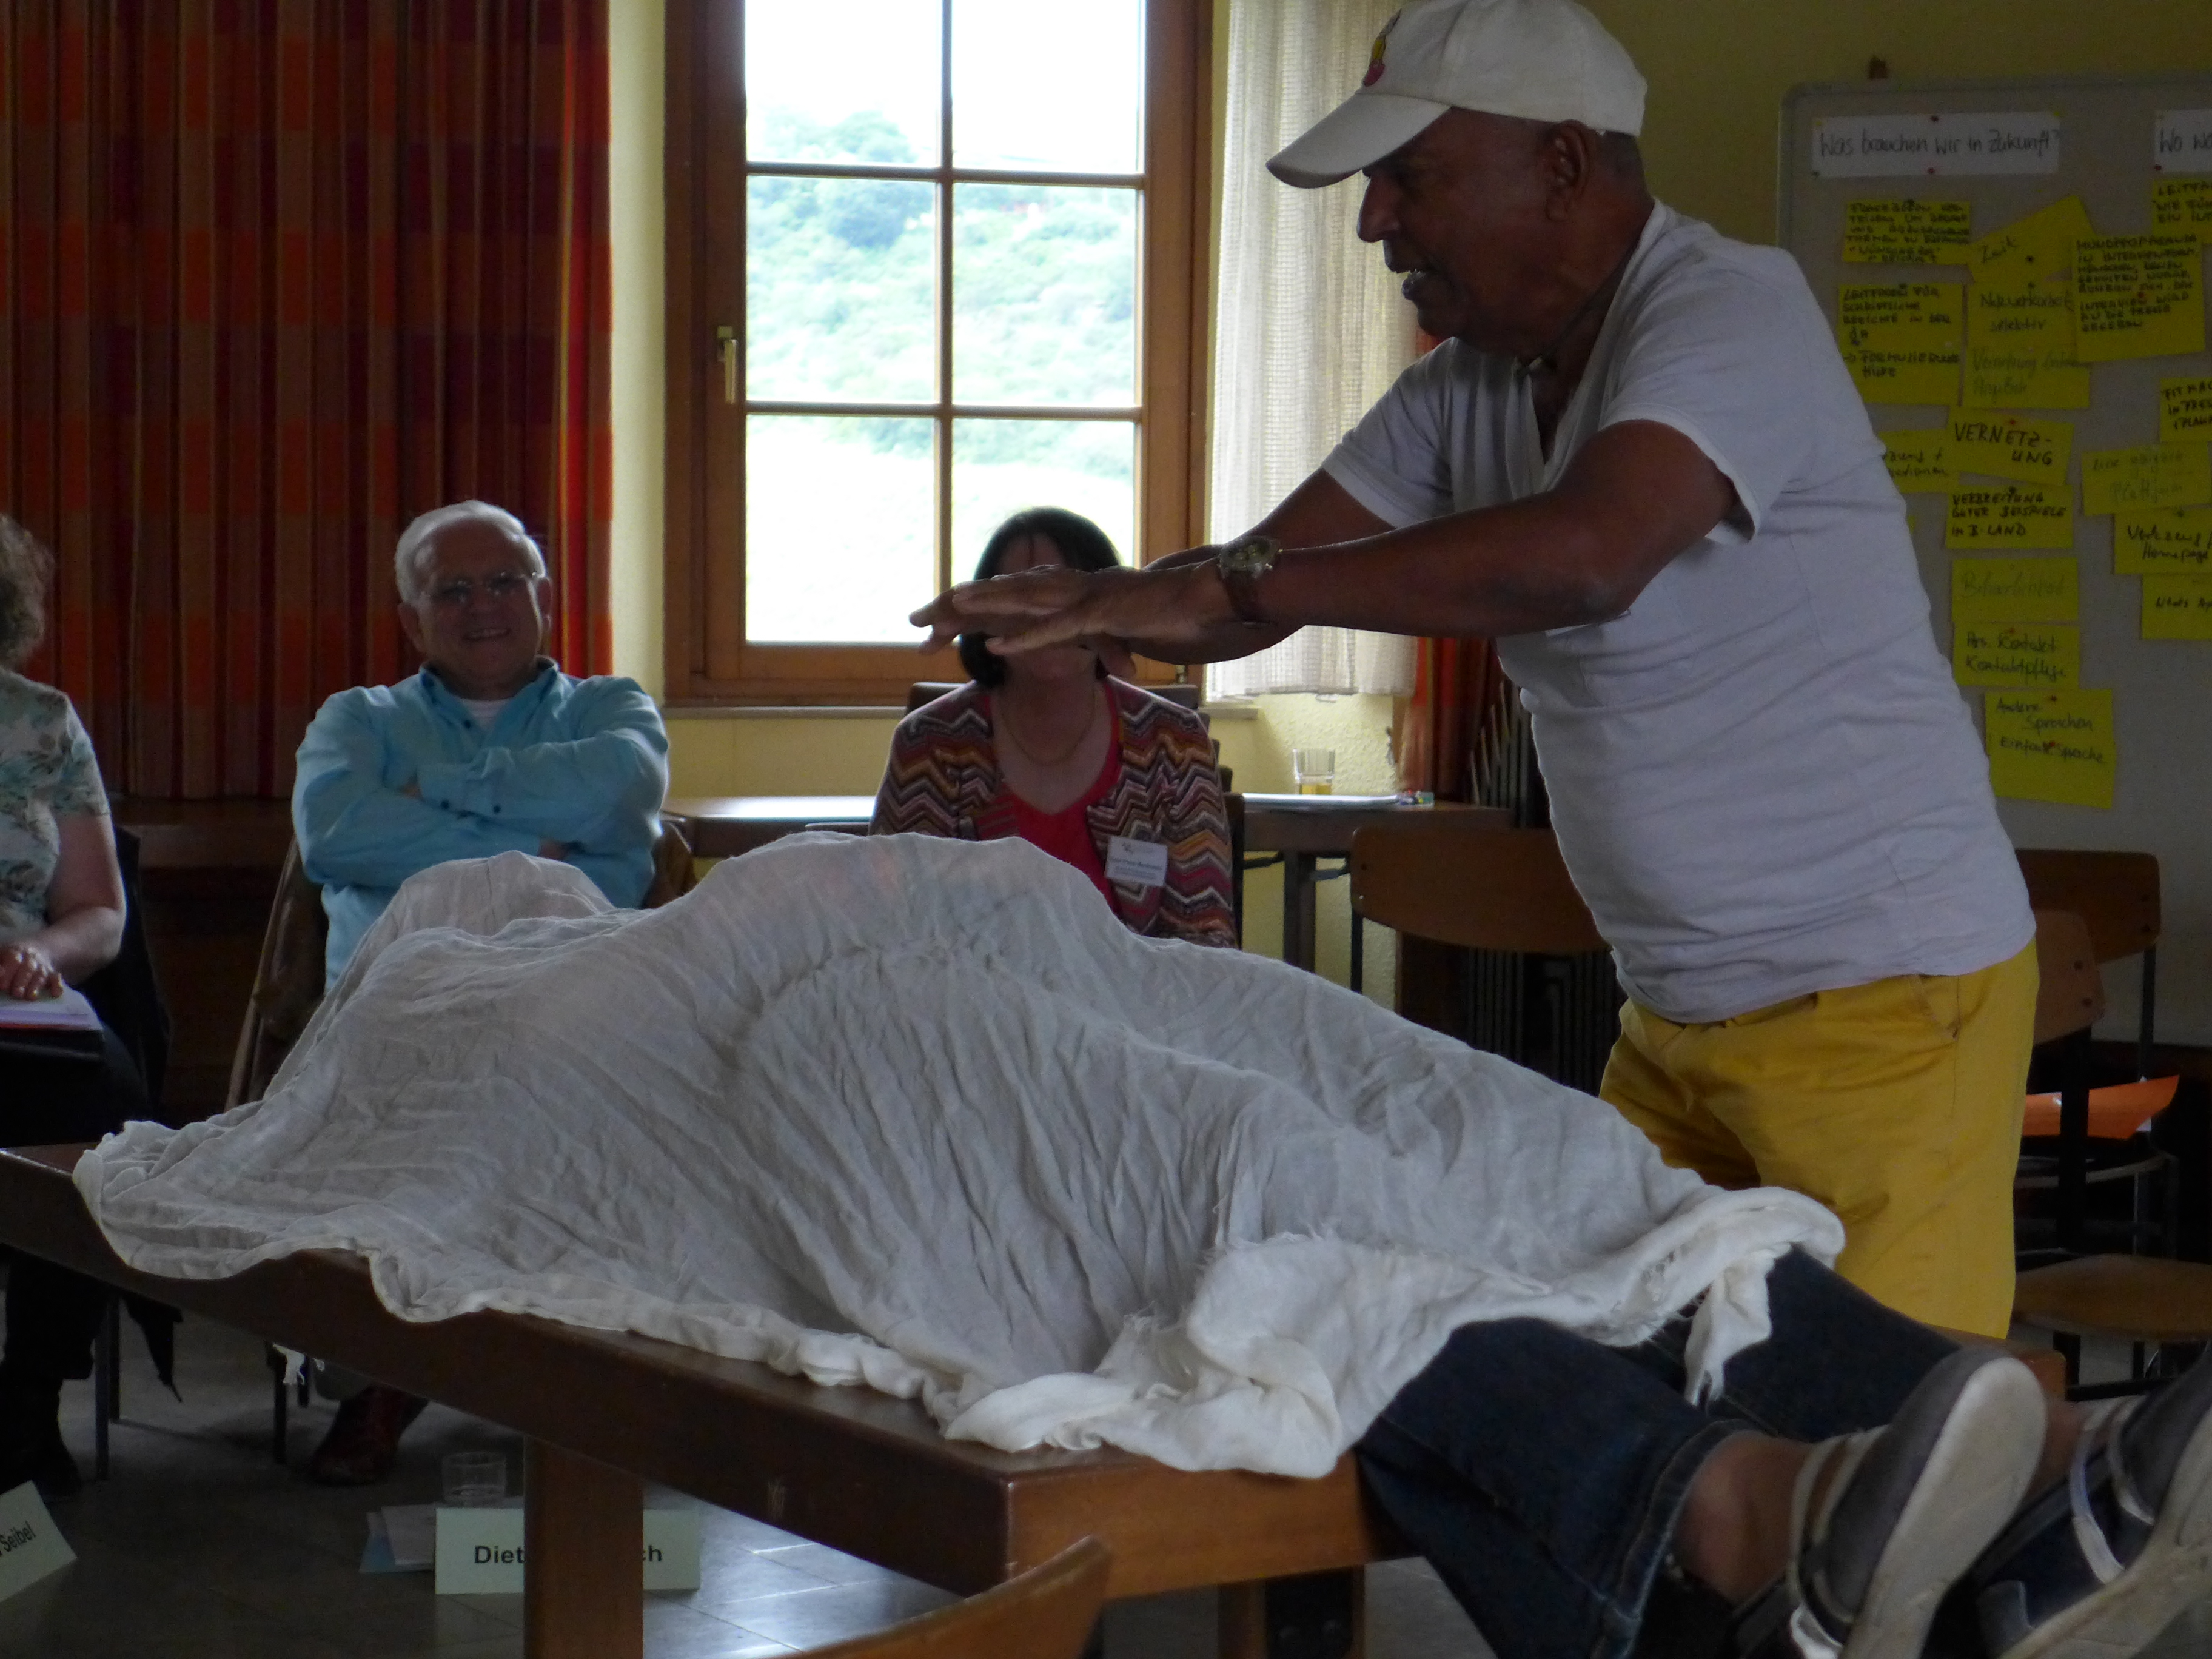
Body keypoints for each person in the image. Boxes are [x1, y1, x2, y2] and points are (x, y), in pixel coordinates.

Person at [75, 840, 2212, 1659]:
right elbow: (439, 1141)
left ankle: (1983, 1482)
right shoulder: (458, 1004)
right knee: (1216, 1187)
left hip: (995, 960)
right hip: (811, 1075)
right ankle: (1749, 1512)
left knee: (1439, 1117)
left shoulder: (648, 916)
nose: (531, 890)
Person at [911, 0, 2037, 1339]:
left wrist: (1225, 585)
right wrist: (1104, 606)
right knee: (1649, 1402)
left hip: (1881, 999)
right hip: (1676, 1015)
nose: (1375, 221)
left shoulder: (1729, 310)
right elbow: (1247, 593)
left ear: (1561, 164)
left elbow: (1585, 557)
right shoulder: (1471, 388)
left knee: (1894, 1424)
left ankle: (2087, 1461)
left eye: (1411, 176)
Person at [290, 499, 669, 1482]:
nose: (482, 605)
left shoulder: (612, 710)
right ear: (411, 619)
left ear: (544, 595)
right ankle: (390, 1363)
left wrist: (439, 793)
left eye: (504, 581)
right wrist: (537, 833)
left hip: (572, 995)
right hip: (401, 1001)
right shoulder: (358, 719)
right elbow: (336, 832)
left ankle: (559, 1364)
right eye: (451, 590)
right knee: (423, 1075)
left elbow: (617, 791)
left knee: (581, 1069)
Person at [872, 508, 1236, 948]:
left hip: (1138, 991)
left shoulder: (1174, 741)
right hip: (967, 989)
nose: (1047, 622)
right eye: (1021, 598)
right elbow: (895, 930)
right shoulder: (931, 742)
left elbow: (1205, 942)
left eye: (1065, 598)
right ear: (981, 617)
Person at [0, 515, 149, 1498]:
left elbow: (98, 911)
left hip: (17, 1000)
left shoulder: (43, 721)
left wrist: (38, 955)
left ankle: (27, 1396)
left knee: (104, 1118)